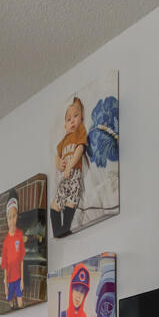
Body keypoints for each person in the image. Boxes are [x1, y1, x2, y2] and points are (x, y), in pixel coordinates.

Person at [53, 96, 87, 236]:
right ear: (65, 126)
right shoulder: (63, 141)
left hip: (74, 173)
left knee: (72, 199)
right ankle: (56, 230)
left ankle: (65, 228)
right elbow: (57, 155)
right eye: (68, 119)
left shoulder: (80, 131)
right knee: (57, 200)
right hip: (64, 177)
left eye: (76, 116)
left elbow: (80, 148)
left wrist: (69, 166)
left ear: (82, 118)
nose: (72, 120)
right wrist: (59, 164)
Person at [0, 197, 27, 308]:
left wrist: (22, 280)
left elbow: (21, 260)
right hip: (9, 280)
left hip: (18, 277)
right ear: (7, 220)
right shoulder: (6, 242)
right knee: (10, 299)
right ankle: (11, 306)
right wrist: (5, 286)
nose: (12, 220)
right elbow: (5, 265)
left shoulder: (19, 234)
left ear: (17, 216)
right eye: (9, 218)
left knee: (20, 302)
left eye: (14, 216)